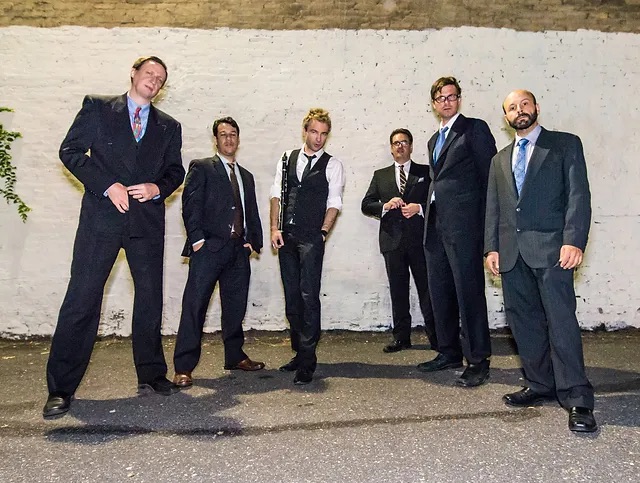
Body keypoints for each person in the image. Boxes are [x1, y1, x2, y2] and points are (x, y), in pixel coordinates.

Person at [44, 56, 185, 418]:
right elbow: (70, 151)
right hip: (101, 220)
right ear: (134, 74)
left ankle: (152, 374)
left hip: (146, 223)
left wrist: (157, 188)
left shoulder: (169, 126)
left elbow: (175, 171)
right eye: (149, 73)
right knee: (82, 299)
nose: (154, 80)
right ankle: (60, 388)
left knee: (150, 299)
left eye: (160, 78)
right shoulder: (98, 107)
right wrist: (108, 185)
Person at [485, 90, 596, 432]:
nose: (519, 111)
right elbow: (494, 208)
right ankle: (539, 383)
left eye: (524, 104)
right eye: (512, 108)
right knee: (524, 324)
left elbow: (578, 195)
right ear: (506, 117)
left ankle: (577, 397)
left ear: (536, 108)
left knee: (561, 324)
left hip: (552, 251)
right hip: (511, 254)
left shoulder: (564, 145)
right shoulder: (499, 160)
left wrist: (573, 240)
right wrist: (491, 248)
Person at [172, 117, 264, 388]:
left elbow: (251, 211)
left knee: (235, 307)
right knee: (195, 306)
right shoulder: (202, 167)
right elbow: (190, 206)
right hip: (209, 250)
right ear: (216, 139)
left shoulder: (246, 176)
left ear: (238, 138)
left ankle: (235, 356)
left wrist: (252, 242)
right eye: (223, 134)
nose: (228, 139)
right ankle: (183, 367)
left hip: (238, 250)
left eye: (233, 134)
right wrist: (198, 241)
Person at [418, 76, 497, 387]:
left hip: (465, 226)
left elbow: (490, 178)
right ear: (433, 104)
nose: (446, 102)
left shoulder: (474, 129)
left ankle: (478, 360)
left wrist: (488, 229)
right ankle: (449, 351)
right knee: (440, 291)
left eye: (451, 96)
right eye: (441, 98)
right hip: (436, 225)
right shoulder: (432, 140)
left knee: (468, 292)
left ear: (459, 99)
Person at [269, 108, 345, 385]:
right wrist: (274, 228)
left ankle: (307, 361)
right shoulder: (287, 158)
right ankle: (299, 352)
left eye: (323, 134)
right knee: (292, 299)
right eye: (314, 132)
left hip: (312, 237)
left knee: (308, 297)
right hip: (286, 235)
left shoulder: (333, 165)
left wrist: (323, 232)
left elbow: (334, 202)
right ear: (305, 131)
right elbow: (276, 194)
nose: (318, 138)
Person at [361, 128, 437, 353]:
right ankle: (401, 338)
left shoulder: (425, 172)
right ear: (391, 148)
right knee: (398, 291)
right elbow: (366, 204)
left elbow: (438, 201)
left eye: (404, 142)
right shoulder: (380, 175)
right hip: (392, 242)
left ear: (411, 146)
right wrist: (385, 206)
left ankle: (437, 337)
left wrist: (419, 208)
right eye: (396, 143)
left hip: (420, 242)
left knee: (427, 290)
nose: (400, 146)